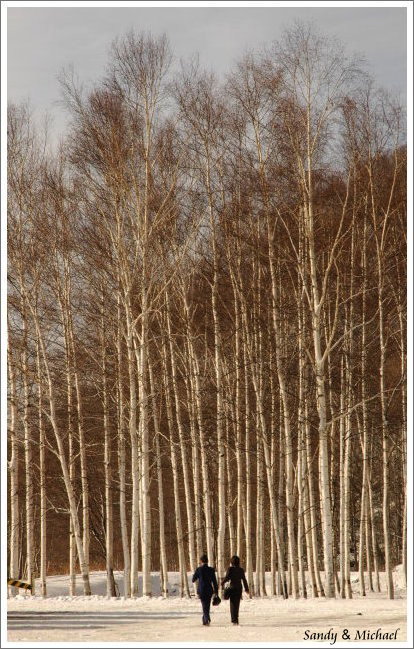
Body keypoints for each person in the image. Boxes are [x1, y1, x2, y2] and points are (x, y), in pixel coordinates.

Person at [221, 555, 249, 625]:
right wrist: (246, 589)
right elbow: (244, 580)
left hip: (232, 588)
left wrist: (222, 582)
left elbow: (227, 578)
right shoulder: (241, 570)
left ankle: (234, 620)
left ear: (232, 562)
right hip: (239, 588)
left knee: (232, 604)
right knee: (237, 604)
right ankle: (236, 619)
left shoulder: (230, 569)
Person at [192, 554, 219, 626]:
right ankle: (205, 620)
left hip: (202, 590)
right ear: (207, 561)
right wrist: (216, 591)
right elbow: (214, 581)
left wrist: (195, 574)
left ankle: (206, 619)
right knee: (207, 605)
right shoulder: (211, 570)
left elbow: (193, 580)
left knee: (204, 605)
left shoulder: (199, 569)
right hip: (209, 590)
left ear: (201, 561)